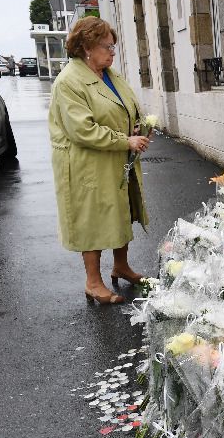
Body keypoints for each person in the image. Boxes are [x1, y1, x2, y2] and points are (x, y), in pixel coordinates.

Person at [48, 17, 151, 305]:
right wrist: (125, 140)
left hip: (115, 157)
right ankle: (93, 282)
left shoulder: (109, 74)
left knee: (121, 210)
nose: (113, 51)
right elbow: (83, 130)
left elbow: (126, 108)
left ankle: (121, 266)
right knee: (92, 219)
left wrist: (138, 127)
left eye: (113, 46)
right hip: (86, 164)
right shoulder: (69, 81)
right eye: (107, 46)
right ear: (86, 47)